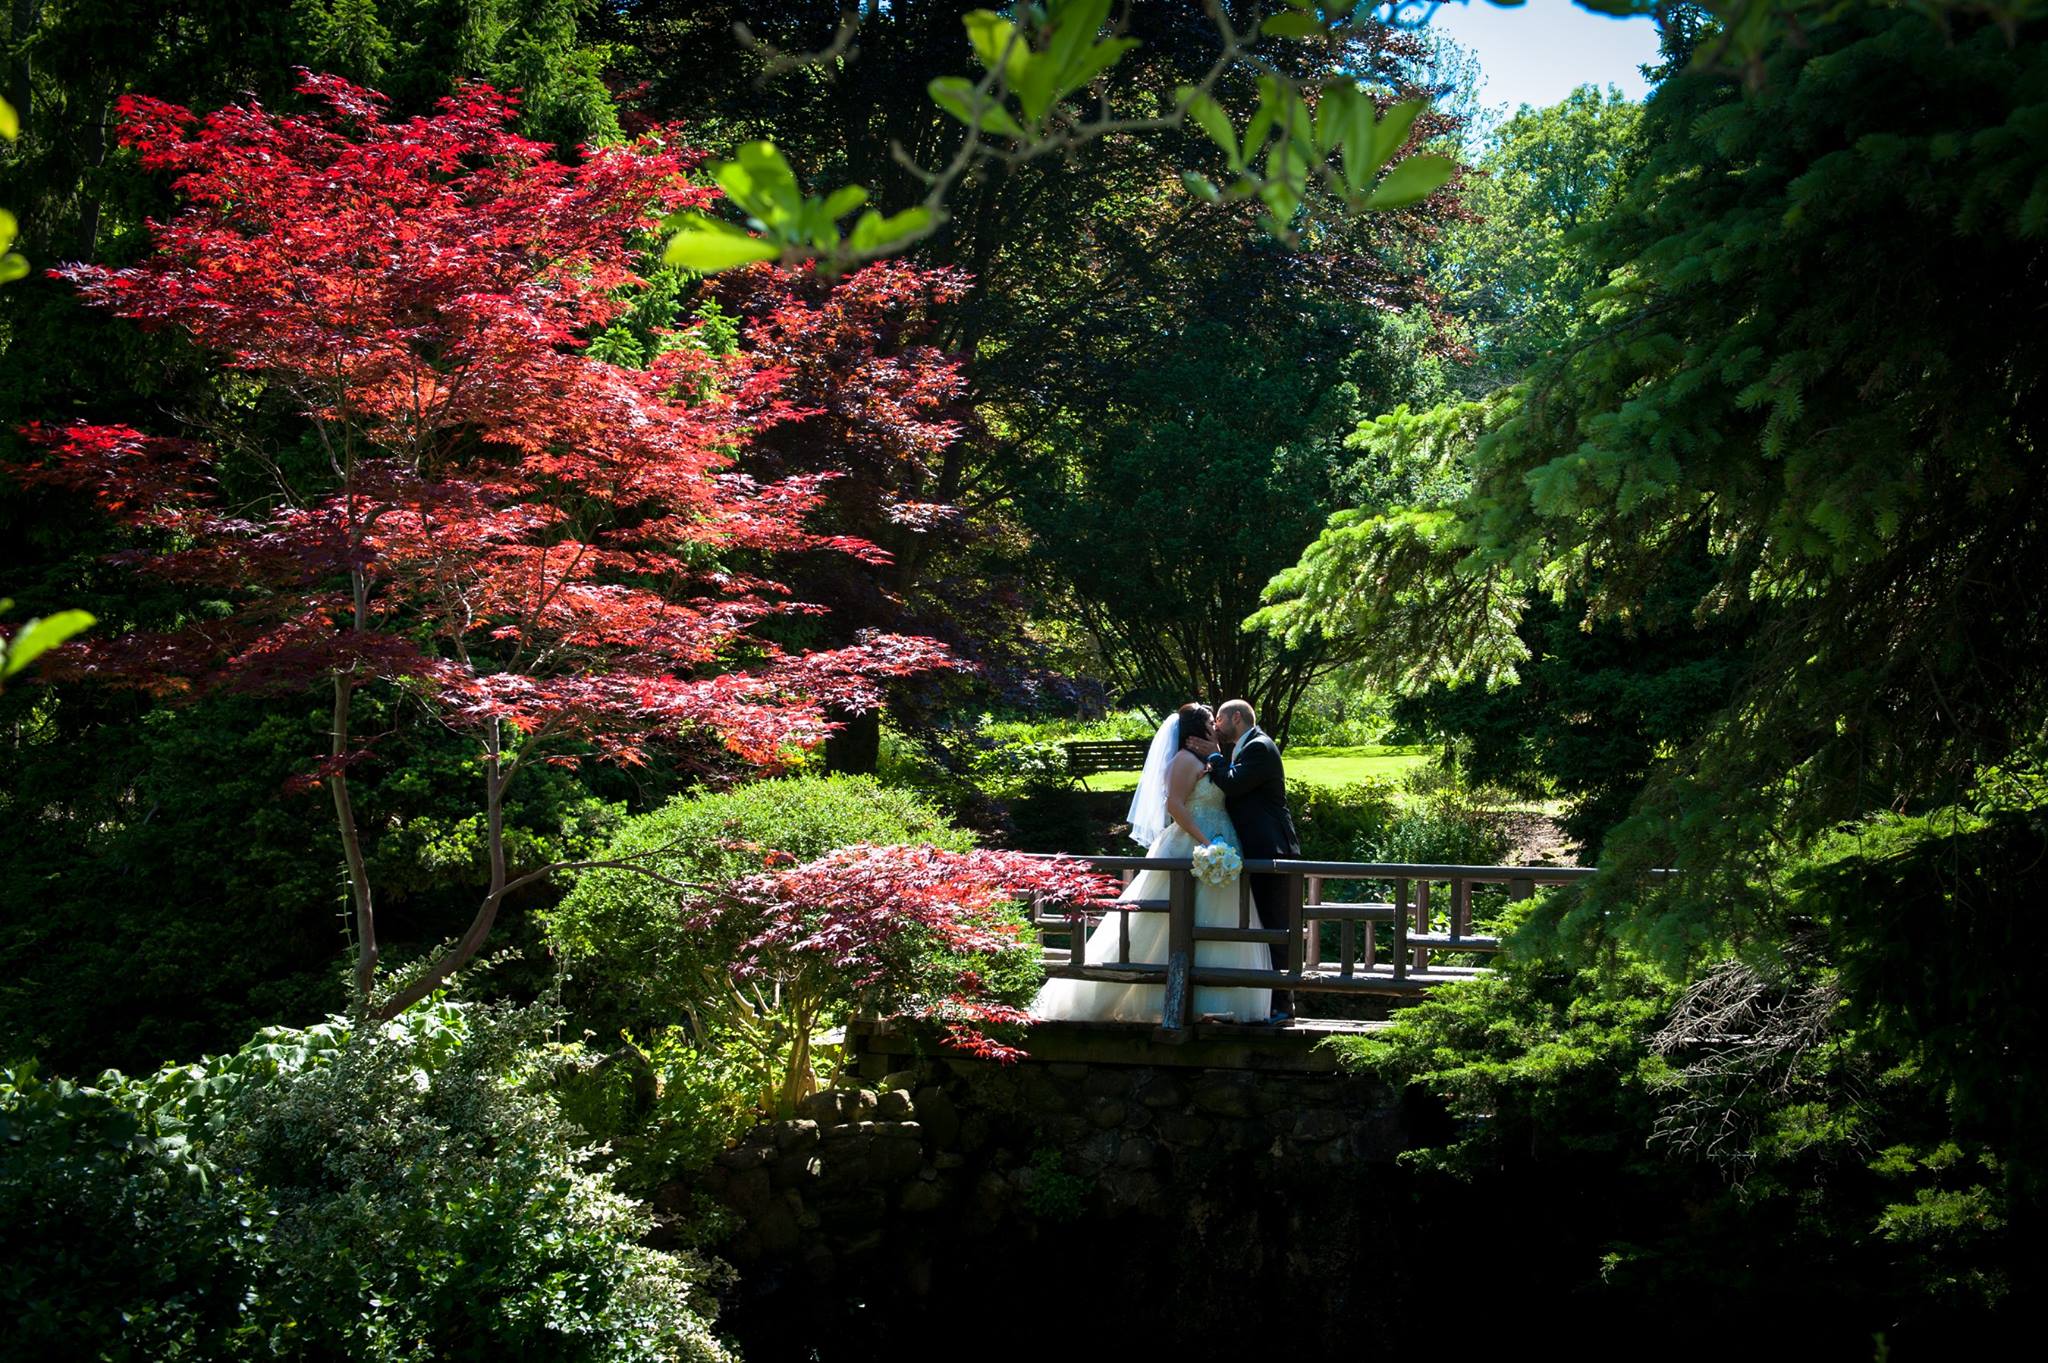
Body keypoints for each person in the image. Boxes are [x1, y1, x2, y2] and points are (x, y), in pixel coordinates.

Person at [1031, 703, 1272, 1024]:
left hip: (1221, 842)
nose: (1215, 725)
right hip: (1192, 844)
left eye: (1218, 721)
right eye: (1210, 722)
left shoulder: (1211, 759)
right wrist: (1206, 842)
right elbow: (1174, 805)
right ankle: (1135, 995)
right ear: (1197, 729)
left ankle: (1212, 1002)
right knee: (1158, 923)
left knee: (1219, 920)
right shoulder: (1184, 761)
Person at [1182, 699, 1300, 1020]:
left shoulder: (1260, 746)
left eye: (1219, 719)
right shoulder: (1244, 748)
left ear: (1237, 717)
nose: (1216, 726)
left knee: (1276, 928)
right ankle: (1269, 1000)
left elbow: (1233, 784)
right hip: (1256, 849)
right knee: (1263, 927)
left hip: (1272, 851)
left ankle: (1283, 1004)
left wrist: (1214, 756)